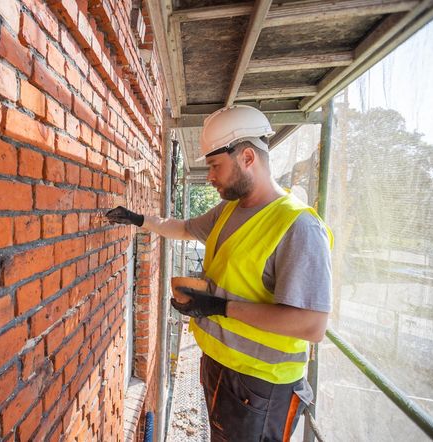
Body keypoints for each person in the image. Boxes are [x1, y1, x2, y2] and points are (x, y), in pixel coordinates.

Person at [106, 105, 333, 442]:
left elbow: (311, 325)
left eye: (215, 166)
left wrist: (218, 307)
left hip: (262, 385)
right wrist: (140, 220)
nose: (210, 177)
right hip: (221, 366)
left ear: (246, 157)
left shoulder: (298, 225)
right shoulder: (230, 210)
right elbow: (182, 228)